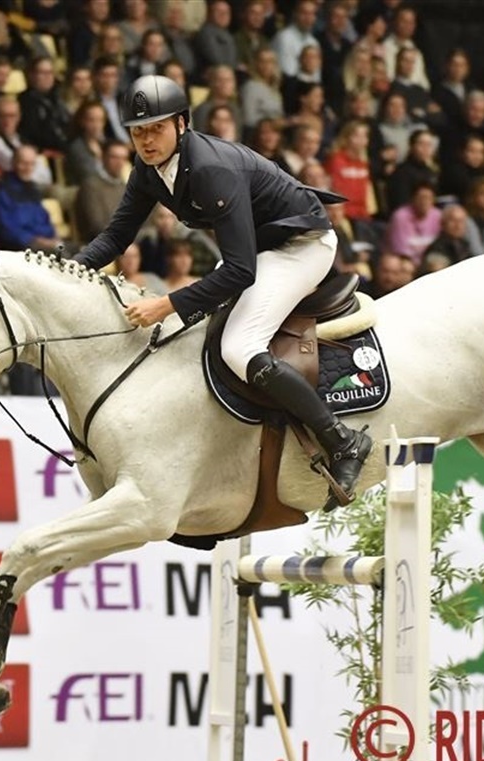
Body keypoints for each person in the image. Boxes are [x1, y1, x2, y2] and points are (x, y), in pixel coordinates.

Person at [73, 74, 372, 510]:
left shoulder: (210, 169)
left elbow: (239, 271)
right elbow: (116, 236)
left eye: (156, 128)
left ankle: (342, 441)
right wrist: (67, 270)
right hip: (259, 247)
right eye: (137, 132)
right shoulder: (148, 169)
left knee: (239, 346)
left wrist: (166, 304)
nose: (146, 141)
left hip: (301, 246)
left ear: (181, 123)